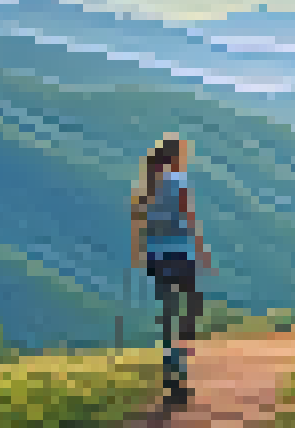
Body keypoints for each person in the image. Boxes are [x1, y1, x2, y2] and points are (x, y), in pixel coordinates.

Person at [131, 133, 211, 397]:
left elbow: (139, 222)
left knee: (168, 315)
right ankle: (181, 370)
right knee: (190, 312)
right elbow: (189, 217)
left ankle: (170, 371)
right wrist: (202, 250)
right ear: (175, 157)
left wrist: (140, 253)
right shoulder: (178, 181)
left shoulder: (146, 184)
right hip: (181, 254)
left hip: (156, 256)